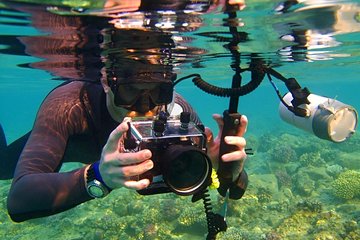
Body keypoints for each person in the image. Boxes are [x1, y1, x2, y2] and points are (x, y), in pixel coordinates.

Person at [1, 1, 249, 223]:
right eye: (130, 92)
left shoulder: (175, 109)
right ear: (107, 82)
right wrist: (97, 176)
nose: (145, 107)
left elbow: (233, 190)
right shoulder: (70, 105)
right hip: (70, 145)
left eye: (158, 92)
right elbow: (20, 198)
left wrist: (227, 171)